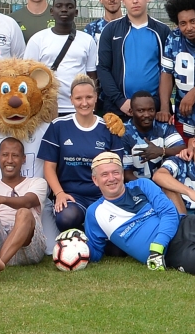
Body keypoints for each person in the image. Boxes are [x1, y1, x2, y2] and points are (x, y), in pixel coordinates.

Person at [40, 75, 131, 231]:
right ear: (71, 99)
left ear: (95, 97)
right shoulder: (58, 126)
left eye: (88, 97)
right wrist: (59, 193)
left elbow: (117, 167)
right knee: (66, 218)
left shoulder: (109, 127)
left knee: (115, 234)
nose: (84, 103)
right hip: (72, 195)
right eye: (78, 98)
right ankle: (79, 233)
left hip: (103, 194)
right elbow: (49, 167)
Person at [0, 137, 51, 283]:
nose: (9, 160)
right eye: (5, 155)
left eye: (15, 155)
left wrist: (1, 199)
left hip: (28, 247)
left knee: (24, 212)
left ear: (23, 159)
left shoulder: (37, 182)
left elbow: (28, 201)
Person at [95, 0, 170, 117]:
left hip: (153, 108)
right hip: (119, 108)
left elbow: (167, 71)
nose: (135, 1)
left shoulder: (162, 30)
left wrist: (157, 103)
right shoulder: (110, 30)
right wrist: (120, 101)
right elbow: (103, 68)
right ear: (123, 0)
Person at [11, 0, 93, 116]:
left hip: (79, 107)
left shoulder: (87, 40)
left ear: (76, 12)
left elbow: (92, 76)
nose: (64, 10)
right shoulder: (37, 39)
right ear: (51, 11)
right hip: (47, 108)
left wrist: (90, 103)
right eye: (59, 6)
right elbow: (27, 75)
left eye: (69, 7)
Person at [119, 91, 185, 180]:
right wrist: (149, 187)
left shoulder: (163, 126)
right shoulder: (124, 132)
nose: (147, 115)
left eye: (151, 110)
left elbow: (182, 149)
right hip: (136, 185)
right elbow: (126, 174)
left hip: (163, 182)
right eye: (141, 111)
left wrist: (161, 151)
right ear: (131, 112)